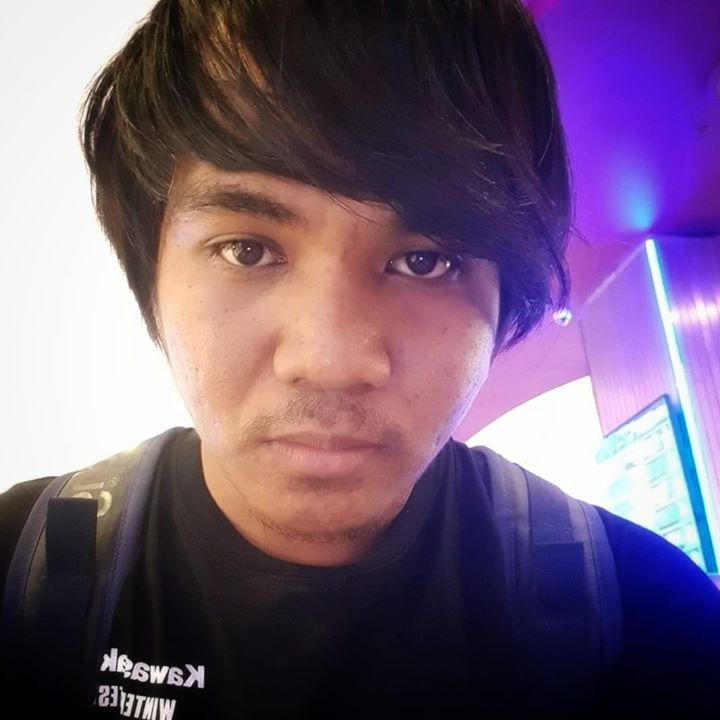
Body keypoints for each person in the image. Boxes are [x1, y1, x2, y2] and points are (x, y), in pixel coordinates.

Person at [2, 0, 719, 716]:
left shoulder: (646, 621)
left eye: (425, 260)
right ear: (151, 276)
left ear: (506, 298)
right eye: (247, 250)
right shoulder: (19, 566)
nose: (330, 360)